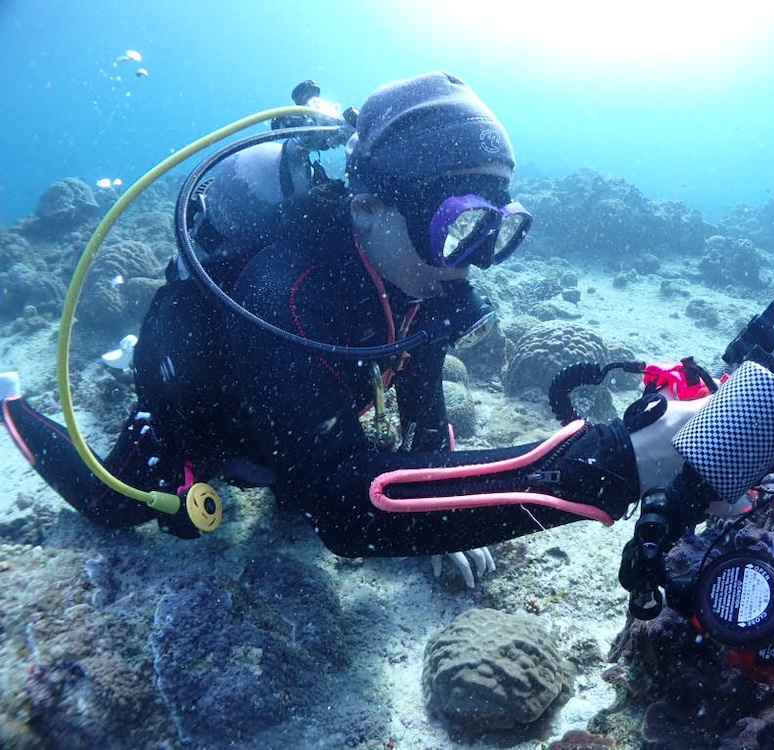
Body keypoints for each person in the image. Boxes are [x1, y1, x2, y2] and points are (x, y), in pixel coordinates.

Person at [1, 72, 707, 586]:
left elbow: (423, 411)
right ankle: (9, 401)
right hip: (211, 411)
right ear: (367, 207)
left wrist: (443, 517)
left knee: (294, 488)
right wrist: (617, 464)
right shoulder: (286, 290)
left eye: (490, 228)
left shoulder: (420, 275)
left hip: (305, 416)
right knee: (111, 505)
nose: (467, 258)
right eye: (452, 224)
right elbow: (344, 510)